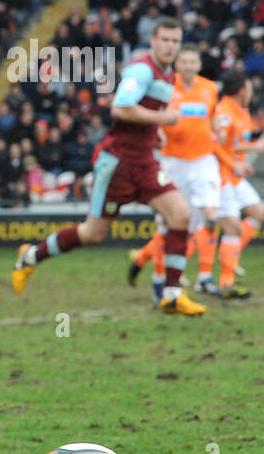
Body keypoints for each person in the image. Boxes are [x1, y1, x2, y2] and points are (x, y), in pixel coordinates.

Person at [12, 18, 207, 316]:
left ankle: (171, 294)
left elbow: (146, 112)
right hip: (117, 163)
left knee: (180, 215)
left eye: (175, 41)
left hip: (144, 161)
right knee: (93, 233)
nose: (170, 46)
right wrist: (161, 121)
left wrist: (157, 133)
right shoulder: (142, 69)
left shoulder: (169, 75)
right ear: (153, 41)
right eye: (165, 40)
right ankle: (30, 256)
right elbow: (120, 107)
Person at [125, 48, 232, 299]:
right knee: (170, 224)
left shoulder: (209, 88)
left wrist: (219, 129)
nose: (187, 65)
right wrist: (156, 131)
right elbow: (150, 114)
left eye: (192, 60)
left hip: (204, 160)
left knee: (210, 214)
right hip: (172, 161)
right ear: (177, 63)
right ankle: (159, 278)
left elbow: (213, 117)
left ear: (198, 63)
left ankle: (205, 276)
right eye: (183, 61)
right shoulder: (165, 87)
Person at [212, 72, 261, 299]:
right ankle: (226, 282)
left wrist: (251, 149)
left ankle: (229, 264)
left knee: (259, 214)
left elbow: (235, 145)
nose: (252, 92)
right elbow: (217, 146)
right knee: (231, 227)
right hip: (222, 177)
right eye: (250, 88)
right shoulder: (224, 113)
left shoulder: (241, 112)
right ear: (242, 90)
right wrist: (235, 164)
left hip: (235, 176)